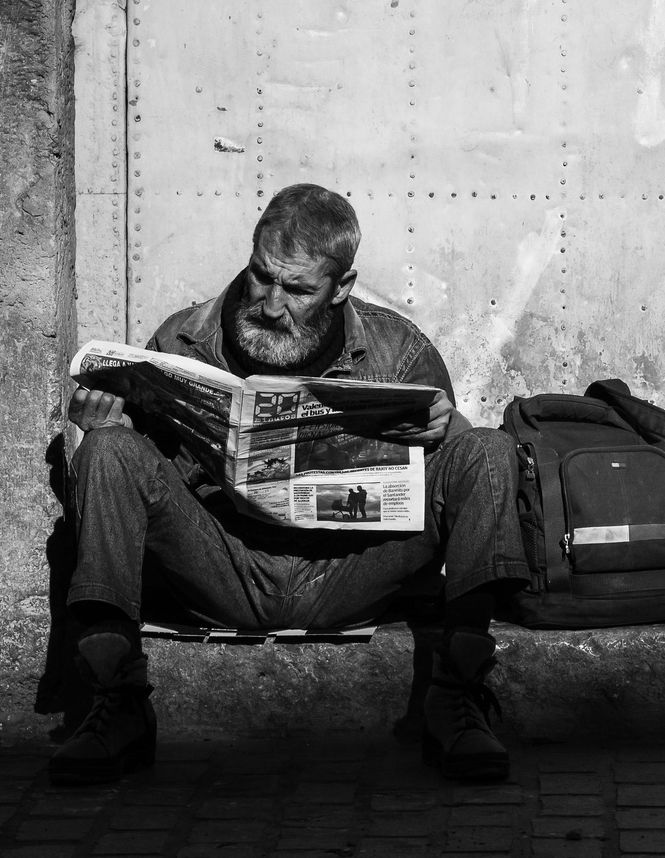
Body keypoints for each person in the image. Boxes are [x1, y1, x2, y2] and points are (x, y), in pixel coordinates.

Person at [54, 184, 528, 786]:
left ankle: (457, 696)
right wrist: (106, 424)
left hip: (349, 568)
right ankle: (116, 703)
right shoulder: (181, 340)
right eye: (261, 277)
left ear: (342, 287)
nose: (272, 304)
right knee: (108, 450)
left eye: (299, 289)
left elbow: (456, 466)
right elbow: (138, 471)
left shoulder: (400, 352)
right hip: (223, 564)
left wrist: (444, 424)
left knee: (486, 447)